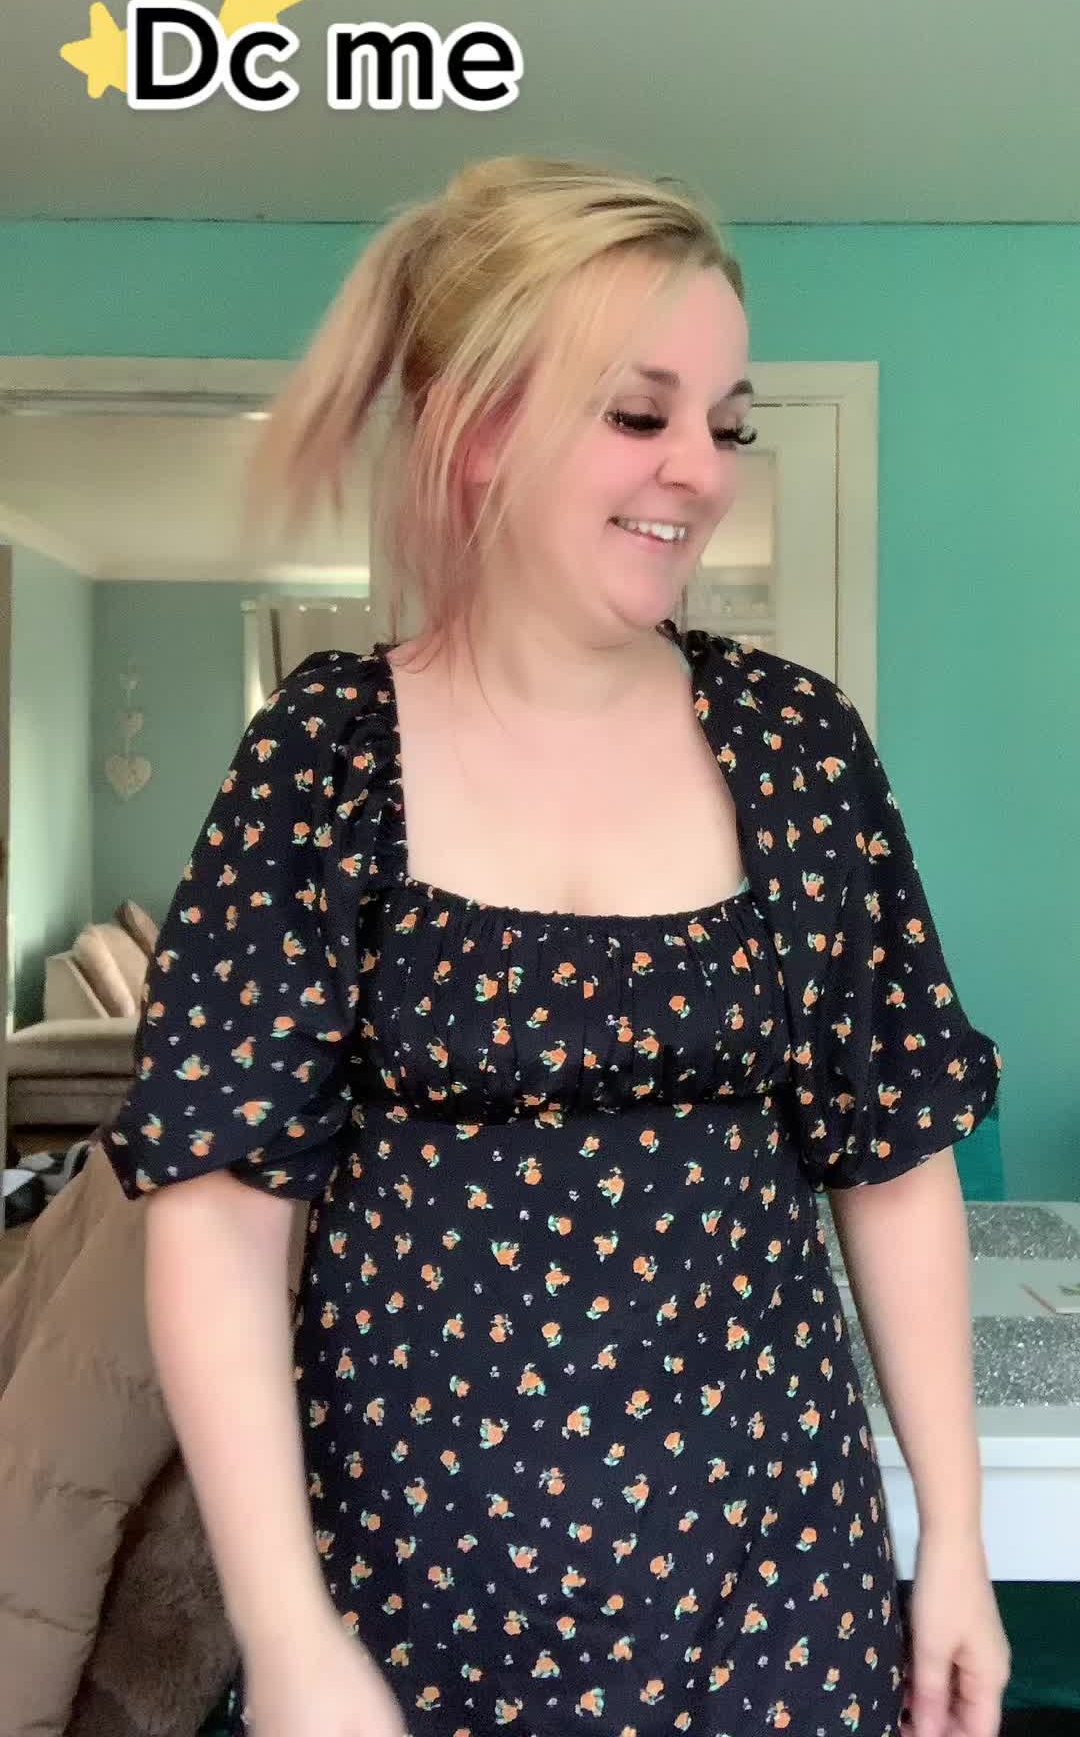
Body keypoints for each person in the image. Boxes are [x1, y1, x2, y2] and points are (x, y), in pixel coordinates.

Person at [101, 155, 1009, 1737]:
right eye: (639, 413)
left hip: (774, 1590)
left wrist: (958, 1542)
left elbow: (893, 1160)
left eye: (726, 423)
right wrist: (288, 1634)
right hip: (406, 1596)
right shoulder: (323, 762)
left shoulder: (797, 748)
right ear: (477, 428)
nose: (701, 471)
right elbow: (220, 1219)